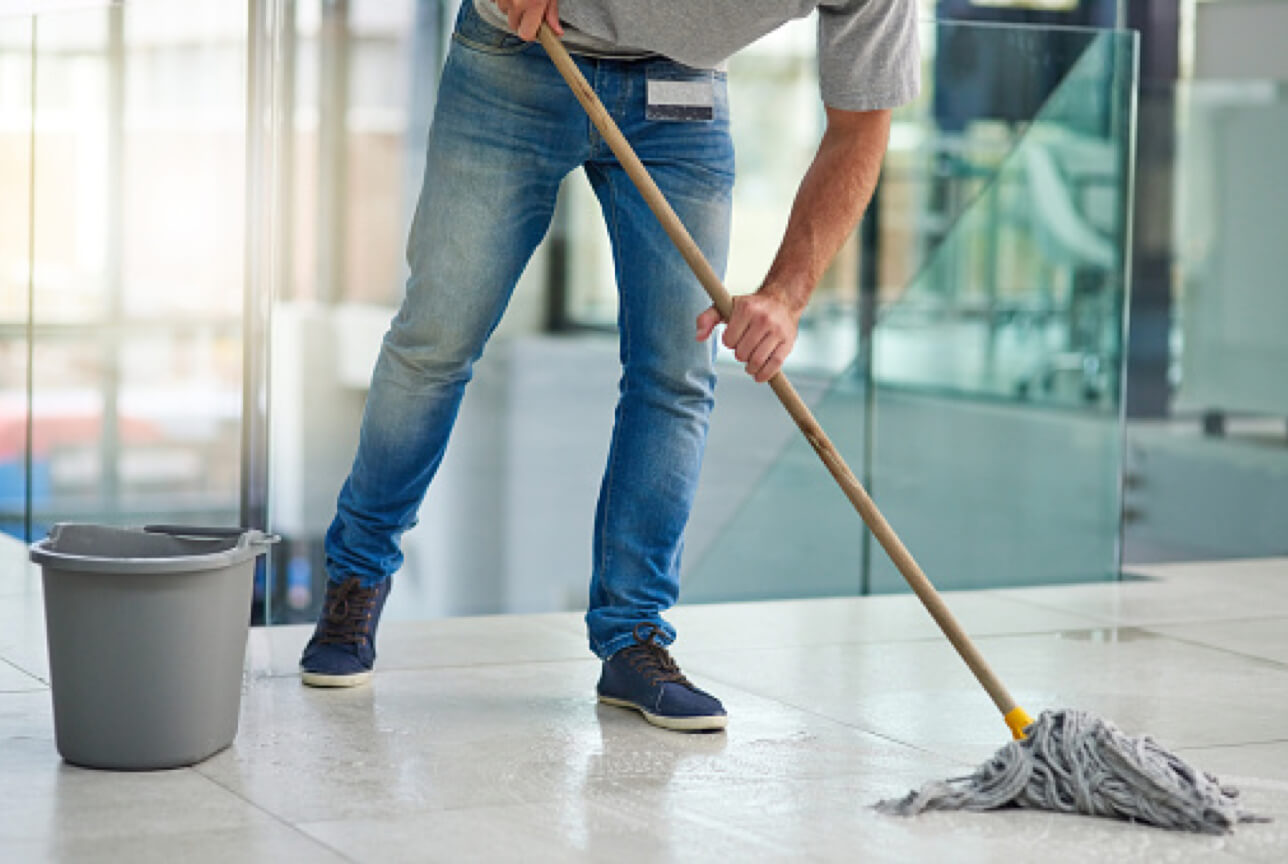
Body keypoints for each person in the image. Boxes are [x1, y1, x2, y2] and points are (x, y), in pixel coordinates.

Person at [300, 0, 919, 732]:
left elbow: (860, 126)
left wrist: (786, 294)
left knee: (678, 373)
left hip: (680, 96)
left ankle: (633, 638)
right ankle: (356, 580)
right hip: (520, 56)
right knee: (437, 338)